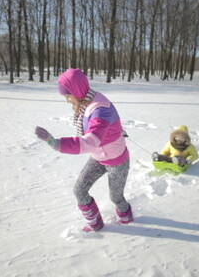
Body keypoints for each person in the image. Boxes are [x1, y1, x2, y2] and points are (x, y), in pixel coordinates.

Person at [35, 68, 133, 232]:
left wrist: (56, 143)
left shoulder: (101, 109)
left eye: (68, 95)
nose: (67, 100)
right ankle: (96, 225)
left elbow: (91, 142)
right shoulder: (86, 103)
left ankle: (128, 222)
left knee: (115, 197)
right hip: (98, 157)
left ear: (77, 91)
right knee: (79, 190)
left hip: (117, 160)